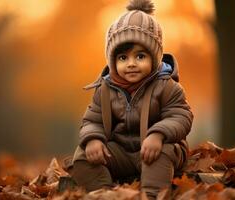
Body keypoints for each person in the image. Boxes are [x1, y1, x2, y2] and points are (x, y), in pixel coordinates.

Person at [68, 0, 193, 199]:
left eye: (140, 56)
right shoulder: (105, 90)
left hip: (159, 148)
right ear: (112, 60)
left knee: (161, 155)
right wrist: (93, 139)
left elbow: (181, 116)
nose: (131, 64)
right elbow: (92, 120)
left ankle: (152, 195)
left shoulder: (167, 86)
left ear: (154, 57)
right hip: (122, 151)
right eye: (123, 58)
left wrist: (158, 134)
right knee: (83, 156)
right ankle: (104, 193)